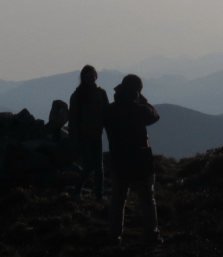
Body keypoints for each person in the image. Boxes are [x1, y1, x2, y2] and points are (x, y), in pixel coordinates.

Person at [104, 74, 161, 245]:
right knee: (147, 200)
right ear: (137, 92)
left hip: (119, 160)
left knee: (118, 201)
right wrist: (144, 100)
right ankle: (152, 235)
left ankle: (114, 237)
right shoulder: (139, 110)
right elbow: (155, 116)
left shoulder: (110, 110)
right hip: (140, 160)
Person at [68, 65, 109, 200]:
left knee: (99, 167)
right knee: (90, 165)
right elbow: (73, 118)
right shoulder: (77, 95)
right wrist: (75, 138)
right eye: (88, 77)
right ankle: (77, 192)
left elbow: (107, 114)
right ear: (83, 78)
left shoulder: (101, 93)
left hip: (97, 135)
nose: (90, 79)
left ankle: (98, 195)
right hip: (83, 136)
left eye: (92, 76)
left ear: (96, 76)